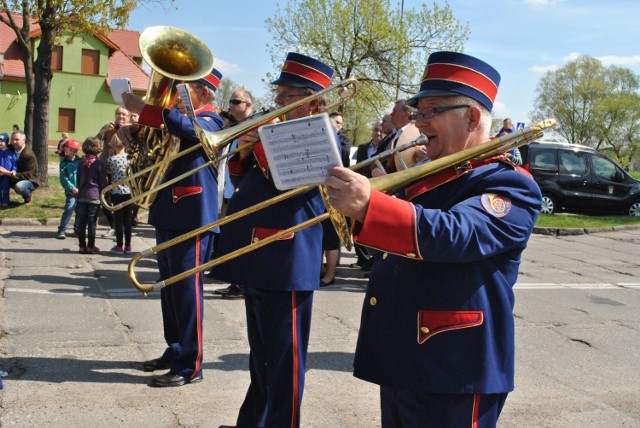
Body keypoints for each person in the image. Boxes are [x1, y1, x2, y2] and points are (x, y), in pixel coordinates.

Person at [325, 51, 543, 426]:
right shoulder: (434, 172)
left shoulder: (509, 182)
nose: (419, 123)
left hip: (455, 366)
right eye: (418, 112)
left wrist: (370, 207)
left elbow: (457, 234)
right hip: (403, 354)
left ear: (472, 116)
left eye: (431, 112)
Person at [211, 52, 335, 427]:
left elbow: (292, 180)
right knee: (261, 354)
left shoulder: (318, 132)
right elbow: (247, 178)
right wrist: (244, 150)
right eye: (279, 93)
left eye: (287, 95)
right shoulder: (277, 129)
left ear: (310, 99)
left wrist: (259, 142)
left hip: (288, 260)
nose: (277, 101)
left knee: (285, 360)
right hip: (259, 254)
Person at [120, 68, 224, 387]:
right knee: (170, 288)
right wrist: (132, 131)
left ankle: (191, 364)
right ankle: (175, 349)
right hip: (169, 211)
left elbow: (186, 129)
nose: (177, 96)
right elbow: (161, 140)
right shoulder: (177, 119)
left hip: (192, 217)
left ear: (204, 94)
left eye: (185, 91)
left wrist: (145, 110)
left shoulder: (213, 122)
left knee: (187, 291)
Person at [213, 88, 255, 300]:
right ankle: (235, 282)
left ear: (248, 105)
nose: (231, 105)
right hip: (228, 190)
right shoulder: (235, 127)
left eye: (235, 101)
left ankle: (241, 284)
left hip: (242, 191)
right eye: (230, 101)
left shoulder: (254, 126)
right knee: (233, 237)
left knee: (242, 239)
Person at [96, 106, 130, 237]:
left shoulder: (131, 130)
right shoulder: (107, 128)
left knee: (122, 201)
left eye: (124, 115)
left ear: (127, 118)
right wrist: (102, 132)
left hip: (122, 171)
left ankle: (121, 228)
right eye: (119, 114)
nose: (121, 117)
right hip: (106, 168)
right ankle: (113, 226)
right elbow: (93, 143)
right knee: (104, 198)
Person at [76, 137, 108, 254]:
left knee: (81, 222)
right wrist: (105, 193)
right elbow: (103, 181)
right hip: (94, 195)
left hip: (82, 194)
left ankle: (81, 246)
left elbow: (78, 178)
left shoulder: (80, 162)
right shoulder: (99, 163)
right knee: (92, 222)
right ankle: (91, 246)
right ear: (98, 148)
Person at [106, 137, 133, 254]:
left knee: (118, 221)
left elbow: (109, 173)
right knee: (128, 220)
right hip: (130, 192)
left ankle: (119, 246)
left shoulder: (111, 159)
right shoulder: (130, 159)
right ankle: (128, 245)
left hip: (117, 192)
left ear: (113, 145)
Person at [0, 131, 39, 205]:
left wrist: (8, 173)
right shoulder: (10, 147)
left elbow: (28, 175)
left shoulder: (29, 155)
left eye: (17, 140)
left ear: (24, 140)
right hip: (11, 176)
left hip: (29, 180)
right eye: (12, 139)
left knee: (20, 187)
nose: (14, 142)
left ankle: (28, 197)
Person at [55, 138, 81, 239]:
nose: (73, 152)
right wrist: (71, 187)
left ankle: (77, 229)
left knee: (80, 211)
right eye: (71, 150)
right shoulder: (64, 162)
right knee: (69, 209)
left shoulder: (80, 161)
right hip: (71, 191)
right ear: (66, 149)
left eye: (75, 150)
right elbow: (63, 178)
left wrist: (80, 187)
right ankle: (62, 230)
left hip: (80, 191)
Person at [0, 133, 17, 208]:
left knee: (6, 188)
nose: (0, 143)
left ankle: (5, 201)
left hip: (7, 175)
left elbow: (14, 163)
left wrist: (13, 170)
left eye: (2, 141)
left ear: (6, 142)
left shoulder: (11, 152)